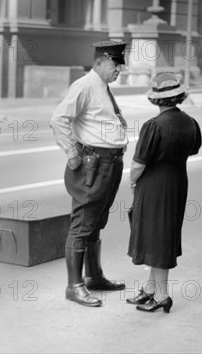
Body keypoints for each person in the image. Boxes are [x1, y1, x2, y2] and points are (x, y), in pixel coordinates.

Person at [50, 41, 129, 307]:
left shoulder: (101, 86)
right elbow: (58, 118)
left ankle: (94, 276)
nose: (119, 70)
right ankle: (74, 286)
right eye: (115, 64)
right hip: (93, 165)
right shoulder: (85, 85)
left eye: (120, 65)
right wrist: (72, 154)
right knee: (83, 223)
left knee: (96, 221)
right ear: (100, 62)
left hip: (109, 164)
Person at [126, 72, 202, 313]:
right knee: (160, 234)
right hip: (177, 182)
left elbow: (139, 163)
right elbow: (194, 149)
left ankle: (162, 295)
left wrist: (132, 181)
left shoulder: (153, 126)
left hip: (154, 185)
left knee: (156, 237)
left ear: (156, 100)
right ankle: (150, 288)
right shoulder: (191, 123)